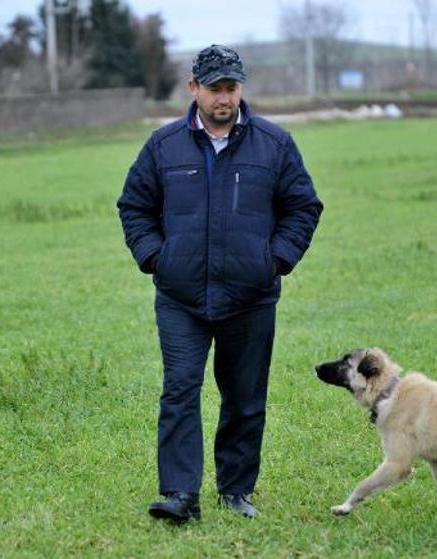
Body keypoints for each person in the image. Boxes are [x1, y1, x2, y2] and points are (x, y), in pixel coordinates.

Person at [117, 45, 323, 524]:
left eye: (231, 88)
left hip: (250, 298)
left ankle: (235, 491)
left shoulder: (275, 144)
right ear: (194, 88)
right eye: (214, 89)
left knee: (245, 398)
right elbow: (134, 206)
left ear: (240, 88)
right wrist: (155, 258)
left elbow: (303, 207)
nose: (223, 98)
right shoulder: (163, 146)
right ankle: (179, 494)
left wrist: (275, 260)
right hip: (181, 298)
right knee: (180, 392)